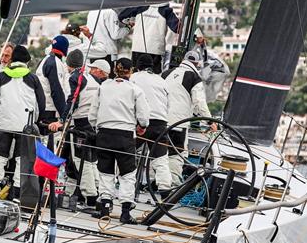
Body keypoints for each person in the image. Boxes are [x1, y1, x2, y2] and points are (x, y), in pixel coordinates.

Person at [89, 58, 150, 223]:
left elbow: (92, 114)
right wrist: (142, 126)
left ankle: (105, 209)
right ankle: (125, 213)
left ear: (115, 70)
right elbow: (144, 117)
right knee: (127, 174)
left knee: (105, 171)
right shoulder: (135, 90)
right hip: (125, 135)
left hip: (104, 134)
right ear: (131, 71)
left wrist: (96, 127)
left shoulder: (103, 87)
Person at [0, 45, 46, 202]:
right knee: (22, 158)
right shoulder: (33, 79)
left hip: (4, 123)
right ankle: (18, 193)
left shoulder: (2, 76)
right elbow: (42, 103)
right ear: (27, 61)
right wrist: (35, 120)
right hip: (25, 125)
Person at [49, 52, 108, 211]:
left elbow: (72, 101)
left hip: (80, 124)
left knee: (81, 160)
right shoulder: (93, 79)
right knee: (90, 161)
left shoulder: (75, 77)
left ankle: (90, 198)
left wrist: (61, 121)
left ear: (69, 64)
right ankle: (89, 192)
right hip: (93, 123)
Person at [161, 51, 215, 185]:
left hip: (160, 120)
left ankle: (152, 181)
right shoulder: (194, 77)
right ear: (197, 64)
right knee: (176, 153)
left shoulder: (165, 74)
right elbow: (199, 102)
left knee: (158, 152)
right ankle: (171, 185)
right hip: (178, 123)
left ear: (183, 60)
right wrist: (210, 121)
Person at [130, 54, 172, 192]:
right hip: (161, 123)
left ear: (137, 66)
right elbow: (168, 103)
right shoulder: (161, 81)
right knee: (160, 158)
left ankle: (123, 185)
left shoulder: (134, 78)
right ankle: (165, 190)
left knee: (126, 153)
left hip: (141, 123)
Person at [35, 35, 70, 144]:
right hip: (50, 112)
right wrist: (64, 116)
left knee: (42, 145)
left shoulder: (44, 60)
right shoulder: (55, 63)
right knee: (51, 146)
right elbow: (57, 91)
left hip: (40, 109)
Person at [131, 3, 180, 70]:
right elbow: (177, 28)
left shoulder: (140, 6)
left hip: (137, 47)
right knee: (154, 75)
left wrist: (129, 24)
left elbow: (122, 17)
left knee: (136, 73)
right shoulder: (166, 10)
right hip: (156, 49)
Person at [85, 8, 134, 73]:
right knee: (108, 78)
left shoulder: (91, 12)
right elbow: (115, 35)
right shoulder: (110, 12)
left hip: (95, 52)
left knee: (96, 78)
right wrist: (128, 27)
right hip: (107, 53)